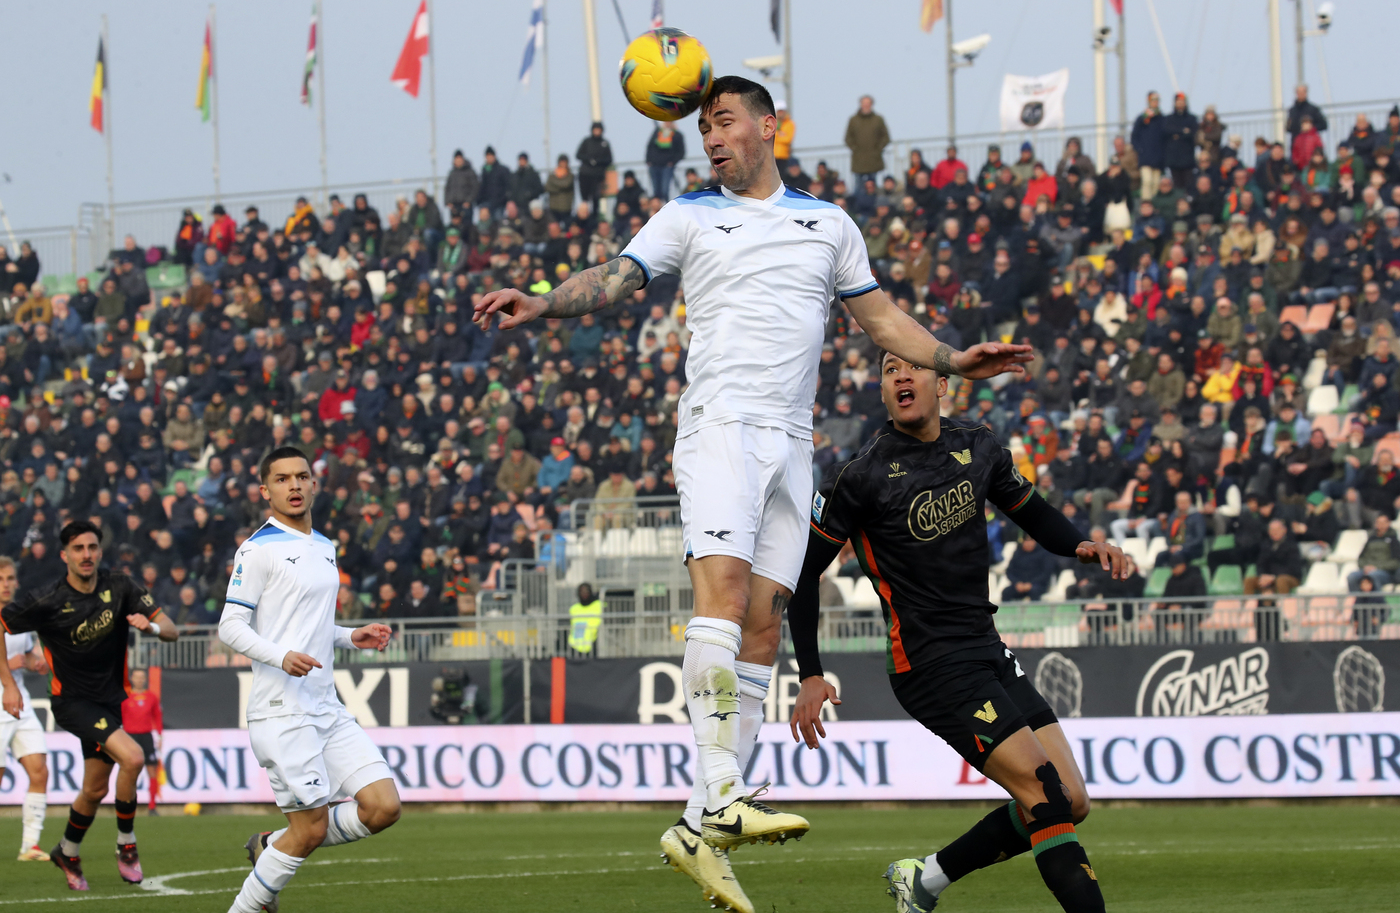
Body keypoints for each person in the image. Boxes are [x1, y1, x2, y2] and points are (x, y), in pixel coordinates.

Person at [474, 75, 1031, 913]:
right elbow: (618, 280)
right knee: (725, 597)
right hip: (722, 425)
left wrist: (952, 360)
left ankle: (700, 827)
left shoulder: (829, 224)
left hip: (791, 440)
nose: (711, 138)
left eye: (724, 121)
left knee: (768, 618)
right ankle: (724, 786)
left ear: (769, 125)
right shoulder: (689, 215)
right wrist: (544, 302)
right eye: (704, 128)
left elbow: (882, 320)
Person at [789, 350, 1128, 913]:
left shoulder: (979, 445)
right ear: (881, 389)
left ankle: (925, 880)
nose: (902, 375)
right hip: (929, 662)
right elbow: (804, 573)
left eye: (914, 366)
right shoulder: (862, 475)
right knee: (1046, 797)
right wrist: (810, 673)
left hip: (985, 647)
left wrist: (1079, 545)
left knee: (1071, 800)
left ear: (941, 382)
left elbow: (1031, 510)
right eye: (889, 368)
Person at [217, 446, 401, 913]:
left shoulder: (323, 545)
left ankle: (270, 845)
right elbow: (230, 626)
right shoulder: (257, 549)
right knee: (311, 830)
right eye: (282, 479)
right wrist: (280, 657)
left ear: (314, 485)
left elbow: (308, 625)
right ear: (266, 490)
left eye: (301, 477)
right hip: (282, 710)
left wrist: (350, 636)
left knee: (383, 808)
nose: (294, 485)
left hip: (327, 706)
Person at [0, 521, 177, 890]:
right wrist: (8, 686)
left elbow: (172, 629)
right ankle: (127, 845)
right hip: (72, 702)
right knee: (132, 757)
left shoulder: (121, 585)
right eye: (78, 548)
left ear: (100, 551)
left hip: (109, 701)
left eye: (92, 547)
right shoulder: (46, 598)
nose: (86, 555)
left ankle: (67, 850)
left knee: (94, 790)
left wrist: (152, 629)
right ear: (65, 555)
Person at [0, 555, 50, 861]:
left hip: (19, 700)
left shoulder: (17, 617)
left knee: (39, 769)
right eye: (0, 579)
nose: (6, 585)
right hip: (4, 696)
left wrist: (35, 662)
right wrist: (11, 666)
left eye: (9, 579)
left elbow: (28, 652)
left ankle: (29, 845)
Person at [121, 668, 163, 816]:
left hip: (146, 737)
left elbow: (157, 716)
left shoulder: (151, 697)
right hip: (130, 737)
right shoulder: (125, 696)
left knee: (152, 770)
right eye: (137, 677)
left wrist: (159, 736)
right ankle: (127, 805)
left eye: (142, 677)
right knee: (130, 772)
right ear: (132, 678)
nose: (139, 680)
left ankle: (152, 806)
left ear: (145, 679)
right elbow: (119, 717)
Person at [646, 121, 686, 201]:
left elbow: (681, 152)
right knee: (656, 190)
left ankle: (666, 205)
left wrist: (672, 162)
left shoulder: (677, 135)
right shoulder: (657, 132)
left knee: (665, 190)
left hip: (667, 166)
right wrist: (649, 160)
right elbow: (650, 146)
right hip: (654, 165)